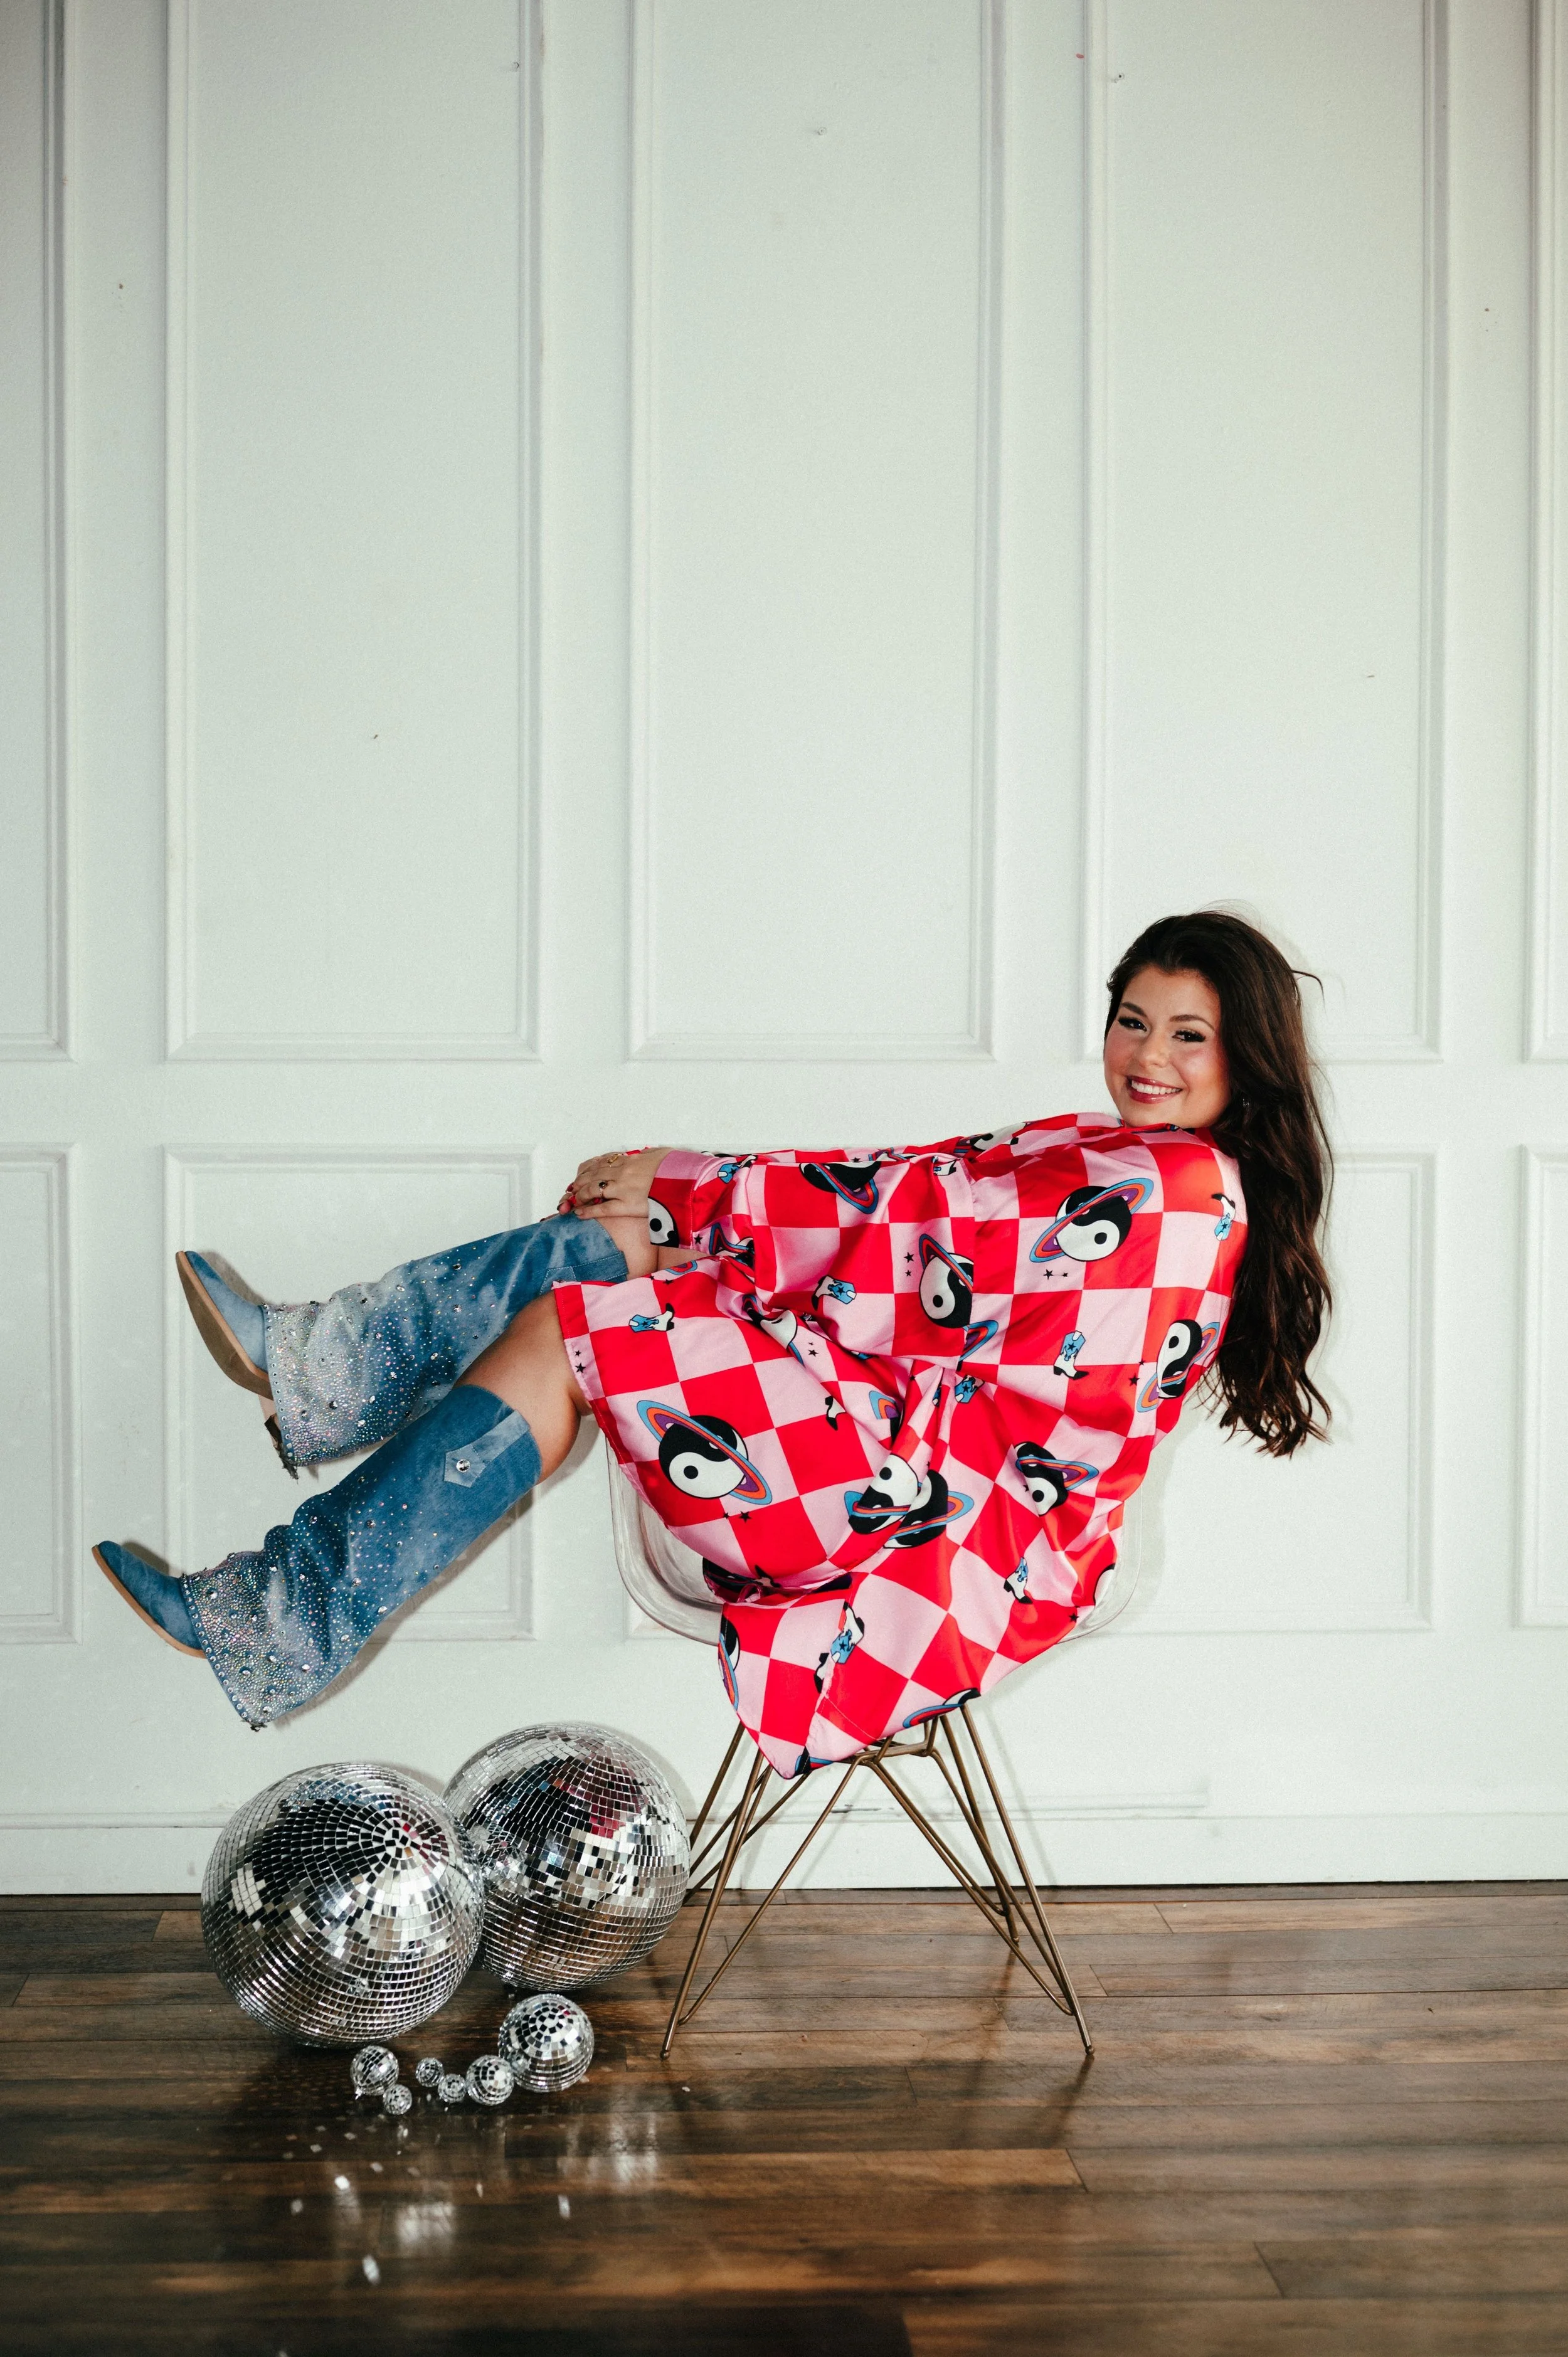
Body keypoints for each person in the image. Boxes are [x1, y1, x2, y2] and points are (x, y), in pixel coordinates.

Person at [95, 909, 1332, 1772]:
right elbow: (924, 1197)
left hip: (927, 1518)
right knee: (604, 1261)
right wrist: (679, 1204)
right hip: (883, 1432)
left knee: (594, 1296)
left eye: (1187, 1034)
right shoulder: (1117, 1148)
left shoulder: (1173, 1188)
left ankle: (305, 1489)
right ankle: (317, 1406)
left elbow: (922, 1218)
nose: (1148, 1056)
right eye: (1132, 1020)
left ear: (1245, 1052)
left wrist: (691, 1185)